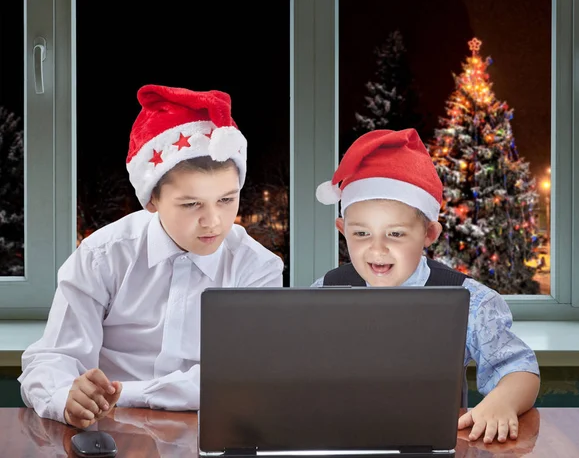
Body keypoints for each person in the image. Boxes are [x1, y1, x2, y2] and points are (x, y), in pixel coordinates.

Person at [18, 84, 284, 428]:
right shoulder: (103, 256)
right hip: (108, 433)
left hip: (208, 433)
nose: (214, 221)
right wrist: (66, 396)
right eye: (191, 204)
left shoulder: (257, 269)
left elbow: (243, 378)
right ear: (151, 201)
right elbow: (51, 357)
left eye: (226, 199)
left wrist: (122, 393)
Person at [313, 128, 540, 444]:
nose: (377, 250)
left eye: (395, 234)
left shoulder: (470, 300)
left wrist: (502, 401)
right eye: (362, 234)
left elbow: (519, 369)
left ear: (429, 234)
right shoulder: (322, 293)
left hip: (432, 442)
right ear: (343, 229)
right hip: (340, 440)